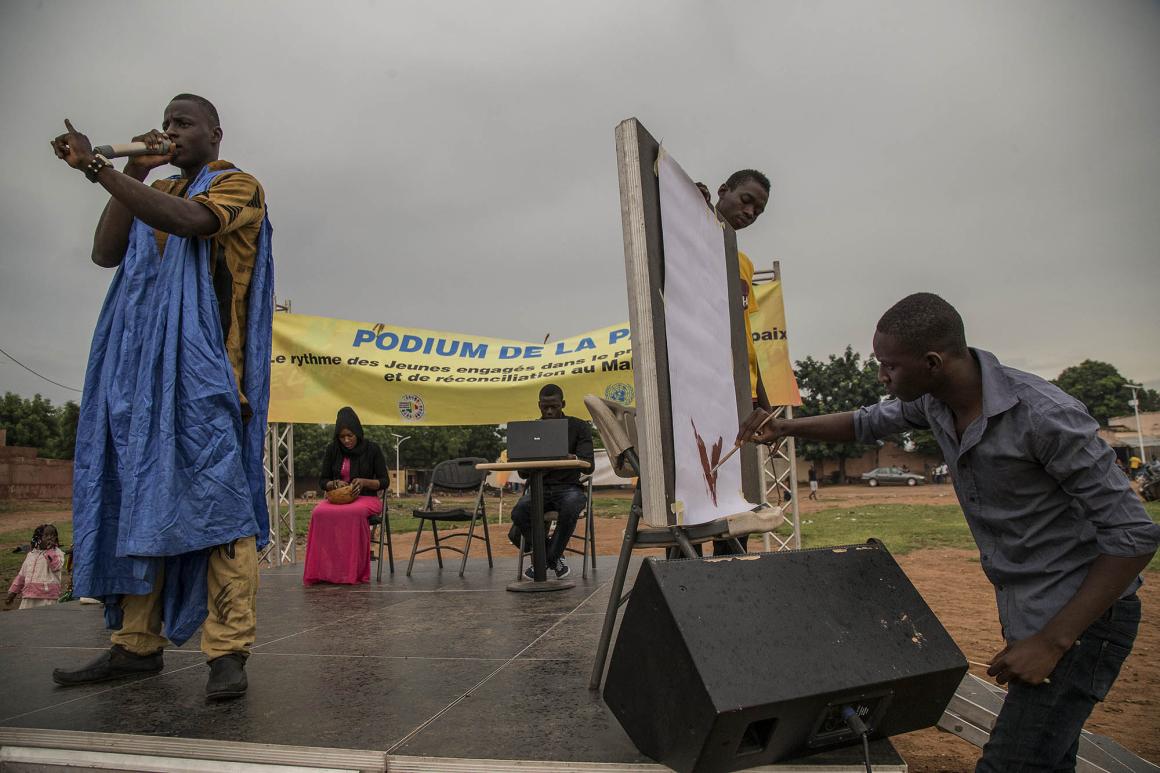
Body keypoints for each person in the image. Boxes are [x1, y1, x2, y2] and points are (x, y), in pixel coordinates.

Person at [748, 293, 1160, 772]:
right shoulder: (934, 402)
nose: (882, 376)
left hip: (1083, 622)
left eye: (889, 366)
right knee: (1047, 763)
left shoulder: (1046, 416)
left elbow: (1132, 534)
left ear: (932, 362)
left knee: (1010, 764)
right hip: (1034, 613)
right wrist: (783, 428)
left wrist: (1051, 642)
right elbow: (864, 423)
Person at [49, 94, 274, 700]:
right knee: (139, 503)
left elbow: (191, 224)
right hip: (145, 385)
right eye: (167, 122)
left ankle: (228, 651)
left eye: (184, 123)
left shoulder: (237, 186)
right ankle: (134, 645)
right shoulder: (160, 189)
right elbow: (106, 253)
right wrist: (134, 172)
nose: (171, 130)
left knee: (223, 513)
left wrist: (101, 171)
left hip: (210, 383)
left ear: (215, 134)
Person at [702, 169, 773, 555]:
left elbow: (746, 332)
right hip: (704, 389)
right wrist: (687, 209)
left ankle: (731, 573)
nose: (750, 212)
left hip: (740, 396)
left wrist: (763, 397)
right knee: (698, 490)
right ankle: (685, 581)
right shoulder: (692, 236)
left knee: (738, 494)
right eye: (746, 200)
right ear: (723, 191)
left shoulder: (742, 262)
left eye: (758, 210)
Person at [508, 384, 594, 579]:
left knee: (571, 505)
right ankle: (553, 557)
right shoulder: (531, 431)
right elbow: (522, 474)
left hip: (569, 488)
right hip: (539, 489)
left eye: (554, 406)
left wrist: (567, 458)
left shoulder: (579, 427)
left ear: (563, 404)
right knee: (519, 511)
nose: (548, 411)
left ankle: (546, 559)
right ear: (539, 405)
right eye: (544, 407)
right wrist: (524, 458)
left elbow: (589, 464)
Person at [303, 408, 389, 585]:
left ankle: (351, 571)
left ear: (357, 432)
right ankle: (324, 571)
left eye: (350, 435)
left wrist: (365, 482)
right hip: (338, 498)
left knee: (353, 513)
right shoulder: (332, 449)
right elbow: (322, 481)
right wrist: (333, 484)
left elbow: (384, 481)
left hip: (366, 498)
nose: (347, 440)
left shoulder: (372, 449)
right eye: (342, 437)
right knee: (318, 513)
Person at [6, 525, 66, 610]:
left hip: (47, 597)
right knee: (26, 620)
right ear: (38, 538)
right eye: (46, 535)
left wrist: (50, 551)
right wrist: (13, 593)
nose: (50, 538)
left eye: (53, 535)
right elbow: (21, 576)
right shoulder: (31, 555)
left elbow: (56, 566)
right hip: (29, 596)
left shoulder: (57, 553)